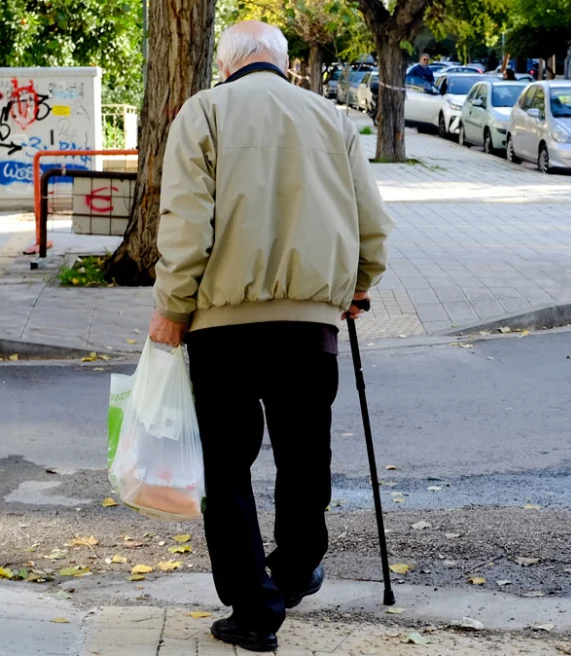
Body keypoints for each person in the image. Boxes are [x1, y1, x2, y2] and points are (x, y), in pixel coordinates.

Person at [148, 19, 393, 654]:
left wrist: (172, 309)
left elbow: (184, 224)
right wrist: (358, 286)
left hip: (222, 329)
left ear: (225, 65)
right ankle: (297, 565)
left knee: (225, 469)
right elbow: (371, 219)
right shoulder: (333, 119)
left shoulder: (204, 113)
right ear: (284, 64)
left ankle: (255, 611)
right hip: (309, 326)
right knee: (304, 455)